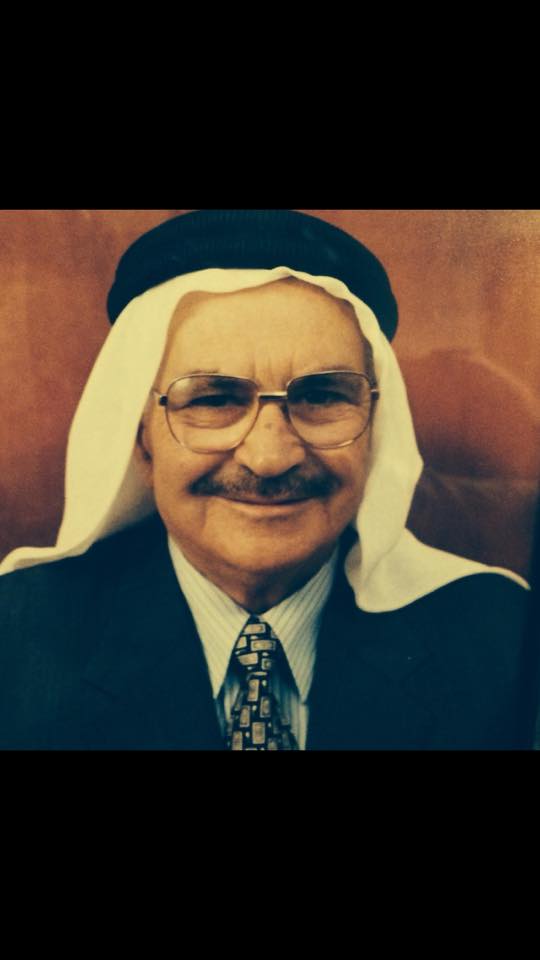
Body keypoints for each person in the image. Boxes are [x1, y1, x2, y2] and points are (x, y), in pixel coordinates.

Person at [0, 210, 535, 750]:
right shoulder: (16, 641)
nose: (270, 457)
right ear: (142, 440)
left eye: (321, 396)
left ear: (376, 426)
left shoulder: (502, 639)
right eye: (214, 400)